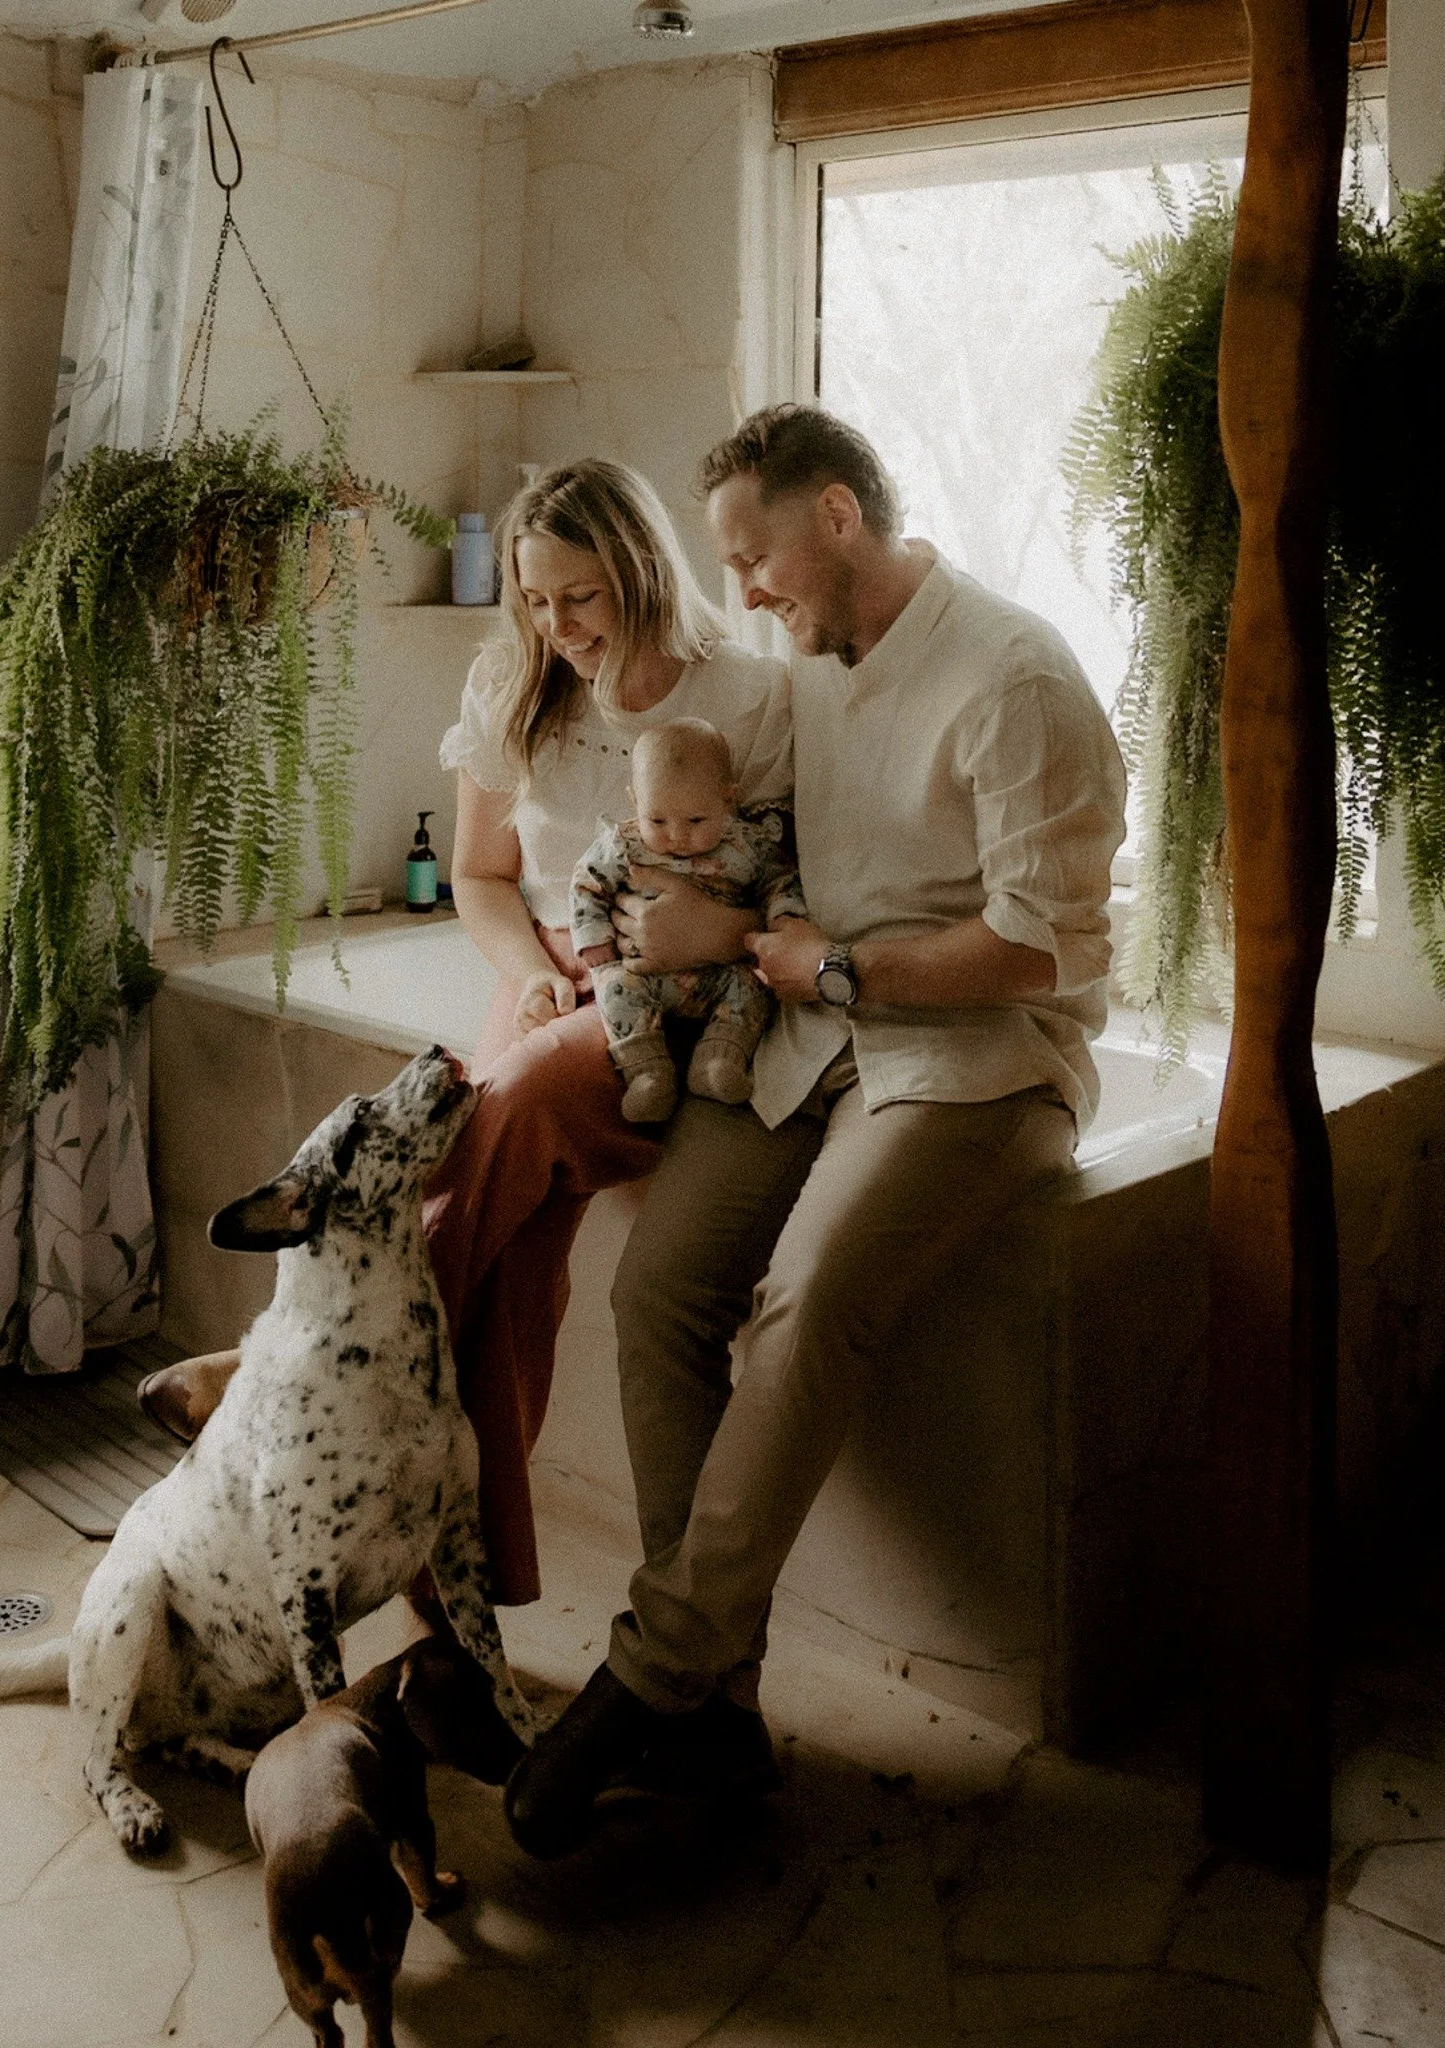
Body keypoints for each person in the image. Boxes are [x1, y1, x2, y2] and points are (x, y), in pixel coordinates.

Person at [505, 404, 1129, 1856]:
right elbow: (721, 829)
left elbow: (1046, 954)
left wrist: (827, 969)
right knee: (660, 1288)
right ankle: (717, 1717)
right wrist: (705, 926)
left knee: (806, 1304)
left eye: (755, 554)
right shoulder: (814, 671)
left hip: (978, 1061)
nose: (748, 591)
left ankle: (655, 1673)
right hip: (811, 1036)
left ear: (836, 514)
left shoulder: (1011, 677)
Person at [138, 458, 791, 1613]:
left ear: (640, 571)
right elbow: (485, 880)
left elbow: (783, 888)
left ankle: (283, 1358)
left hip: (675, 998)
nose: (557, 624)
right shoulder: (516, 682)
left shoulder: (742, 694)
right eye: (535, 600)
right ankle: (458, 1618)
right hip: (549, 972)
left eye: (579, 597)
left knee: (518, 1103)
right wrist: (531, 974)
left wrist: (709, 933)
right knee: (512, 1272)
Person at [571, 717, 805, 1123]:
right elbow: (586, 885)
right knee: (613, 989)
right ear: (635, 801)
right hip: (640, 974)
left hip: (717, 972)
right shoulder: (622, 845)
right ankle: (646, 1073)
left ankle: (718, 1059)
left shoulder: (746, 844)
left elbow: (779, 882)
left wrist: (784, 916)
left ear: (727, 800)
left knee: (750, 990)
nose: (676, 835)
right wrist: (595, 941)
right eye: (657, 820)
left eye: (696, 821)